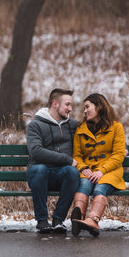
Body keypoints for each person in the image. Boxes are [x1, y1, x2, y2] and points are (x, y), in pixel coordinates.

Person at [70, 93, 126, 237]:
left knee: (99, 189)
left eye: (87, 107)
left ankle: (93, 220)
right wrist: (83, 168)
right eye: (84, 108)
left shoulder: (116, 127)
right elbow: (77, 155)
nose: (85, 111)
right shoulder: (81, 129)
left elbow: (118, 154)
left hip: (110, 170)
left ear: (99, 107)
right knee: (83, 186)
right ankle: (79, 217)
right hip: (88, 170)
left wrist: (101, 170)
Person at [26, 88, 80, 234]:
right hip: (38, 173)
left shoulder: (72, 125)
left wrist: (122, 146)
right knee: (40, 169)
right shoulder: (35, 125)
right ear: (55, 104)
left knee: (72, 172)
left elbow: (98, 131)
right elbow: (36, 152)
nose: (70, 109)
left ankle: (58, 220)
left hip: (60, 174)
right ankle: (42, 221)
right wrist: (66, 159)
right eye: (67, 104)